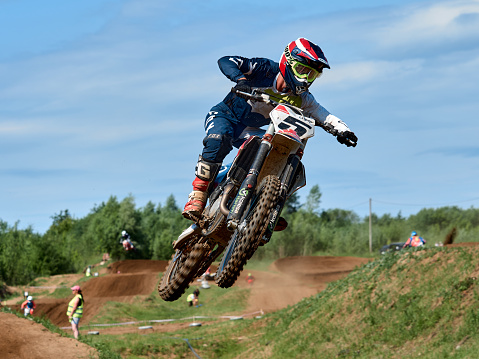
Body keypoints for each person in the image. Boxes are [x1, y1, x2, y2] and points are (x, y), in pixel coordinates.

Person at [182, 37, 358, 219]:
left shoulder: (304, 98)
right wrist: (241, 79)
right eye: (302, 70)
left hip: (250, 130)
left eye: (311, 74)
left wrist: (343, 130)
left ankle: (263, 206)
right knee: (218, 139)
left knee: (278, 152)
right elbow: (226, 61)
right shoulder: (264, 69)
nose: (305, 78)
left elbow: (322, 114)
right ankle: (198, 195)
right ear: (287, 62)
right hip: (225, 116)